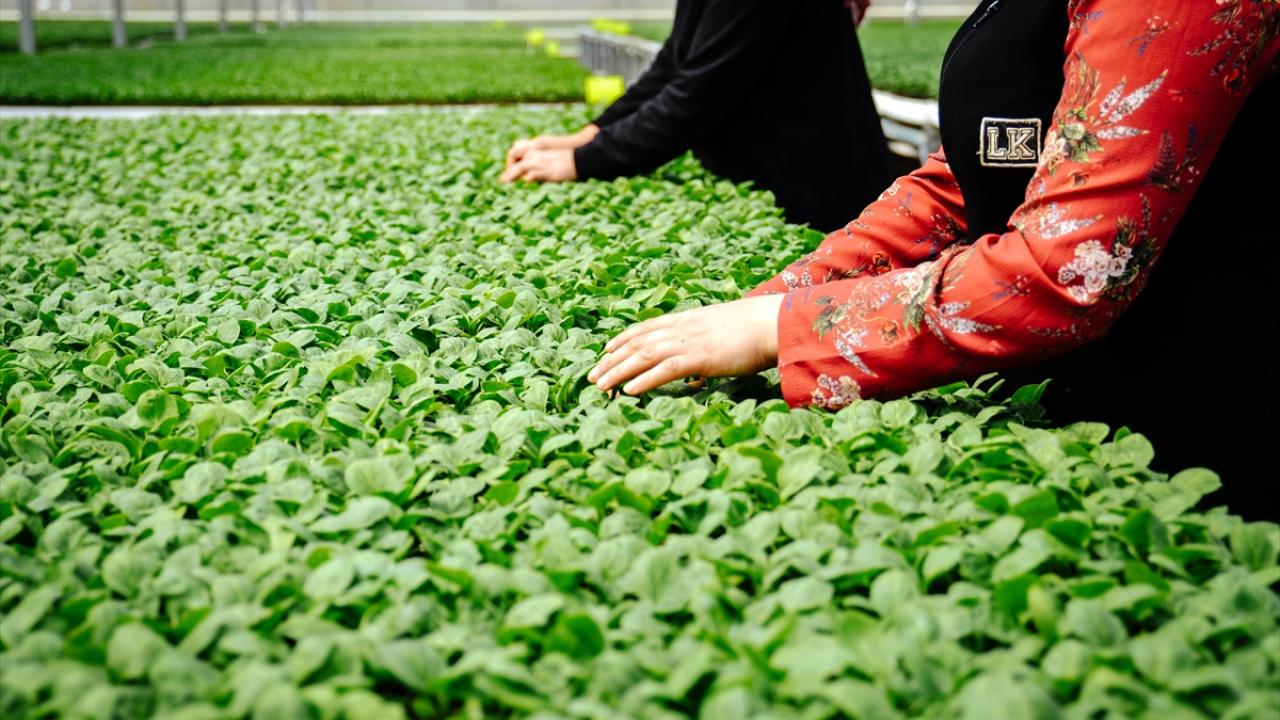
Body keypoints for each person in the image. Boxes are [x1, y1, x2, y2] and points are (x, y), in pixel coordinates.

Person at [587, 0, 1279, 515]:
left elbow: (1068, 271)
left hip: (1198, 442)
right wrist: (774, 301)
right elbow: (961, 185)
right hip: (1058, 412)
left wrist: (789, 331)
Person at [500, 0, 893, 232]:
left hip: (814, 187)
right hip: (774, 175)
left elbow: (697, 95)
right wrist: (587, 136)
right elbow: (674, 63)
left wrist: (580, 162)